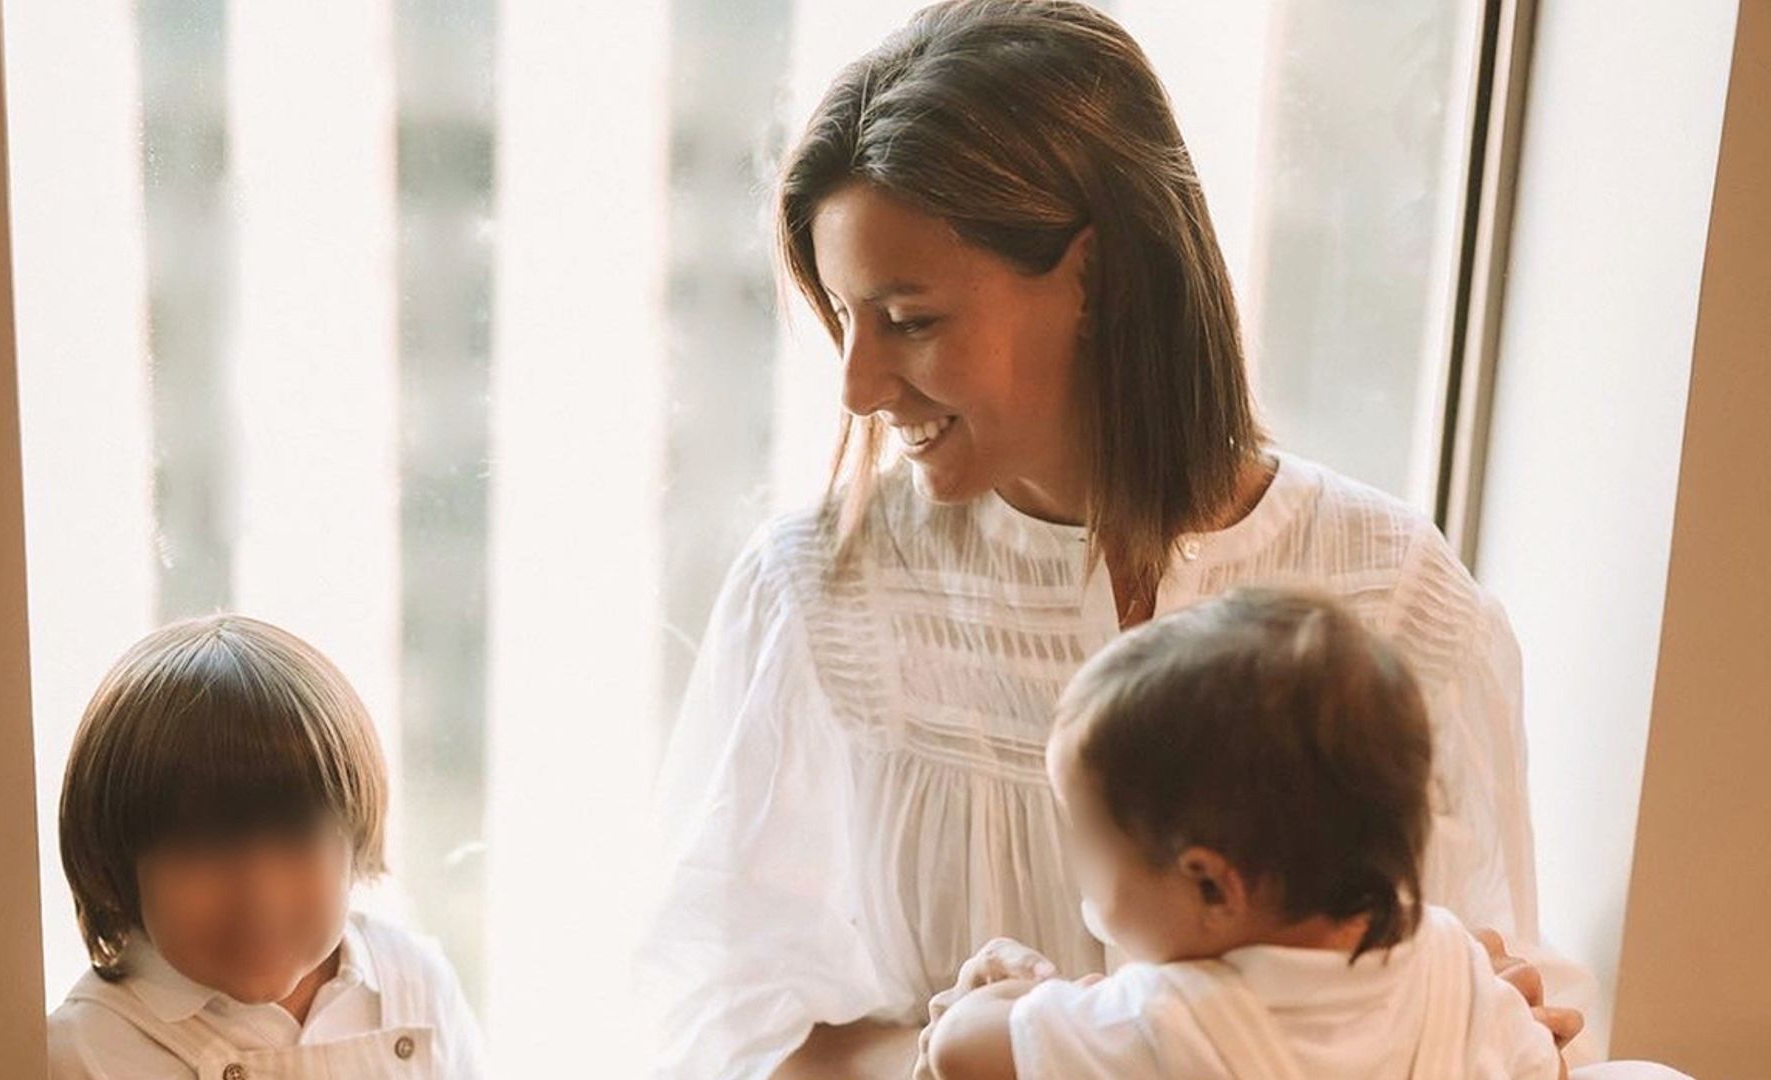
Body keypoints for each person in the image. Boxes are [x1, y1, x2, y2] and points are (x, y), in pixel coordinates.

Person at [639, 2, 1589, 1076]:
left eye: (910, 320)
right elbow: (728, 1033)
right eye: (843, 317)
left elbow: (1476, 1000)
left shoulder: (1395, 600)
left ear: (1092, 277)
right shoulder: (819, 594)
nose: (857, 386)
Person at [921, 588, 1565, 1079]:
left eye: (1091, 843)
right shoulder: (1454, 965)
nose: (1078, 871)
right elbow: (1547, 1069)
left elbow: (958, 1048)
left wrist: (1025, 996)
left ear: (1211, 885)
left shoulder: (1163, 1022)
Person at [46, 614, 486, 1079]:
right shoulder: (83, 1051)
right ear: (118, 862)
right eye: (204, 849)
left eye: (298, 837)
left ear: (352, 835)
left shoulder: (410, 984)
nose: (260, 894)